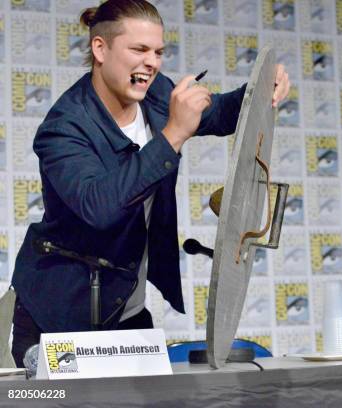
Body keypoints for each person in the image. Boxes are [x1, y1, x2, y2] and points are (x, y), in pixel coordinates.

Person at [10, 0, 290, 367]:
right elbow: (99, 206)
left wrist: (258, 90)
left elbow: (218, 112)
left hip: (126, 307)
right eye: (139, 50)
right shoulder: (64, 127)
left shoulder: (157, 94)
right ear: (100, 49)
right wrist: (173, 135)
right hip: (60, 315)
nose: (152, 62)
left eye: (158, 52)